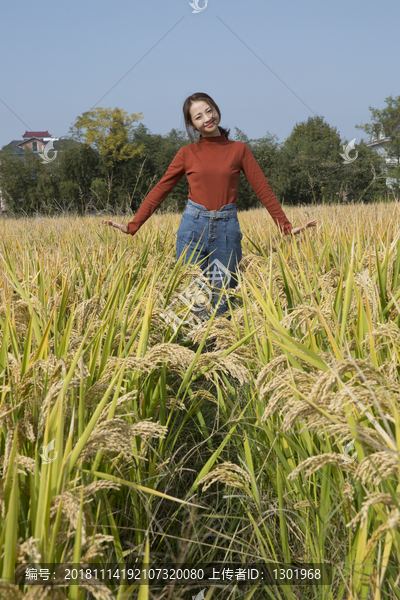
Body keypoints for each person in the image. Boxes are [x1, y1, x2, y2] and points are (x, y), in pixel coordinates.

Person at [103, 92, 317, 318]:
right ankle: (191, 350)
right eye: (198, 116)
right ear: (191, 124)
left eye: (209, 111)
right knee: (194, 298)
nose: (206, 118)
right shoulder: (187, 153)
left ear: (216, 110)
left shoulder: (239, 150)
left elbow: (262, 189)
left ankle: (218, 349)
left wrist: (285, 226)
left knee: (222, 300)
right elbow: (161, 189)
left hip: (227, 231)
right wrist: (133, 225)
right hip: (192, 229)